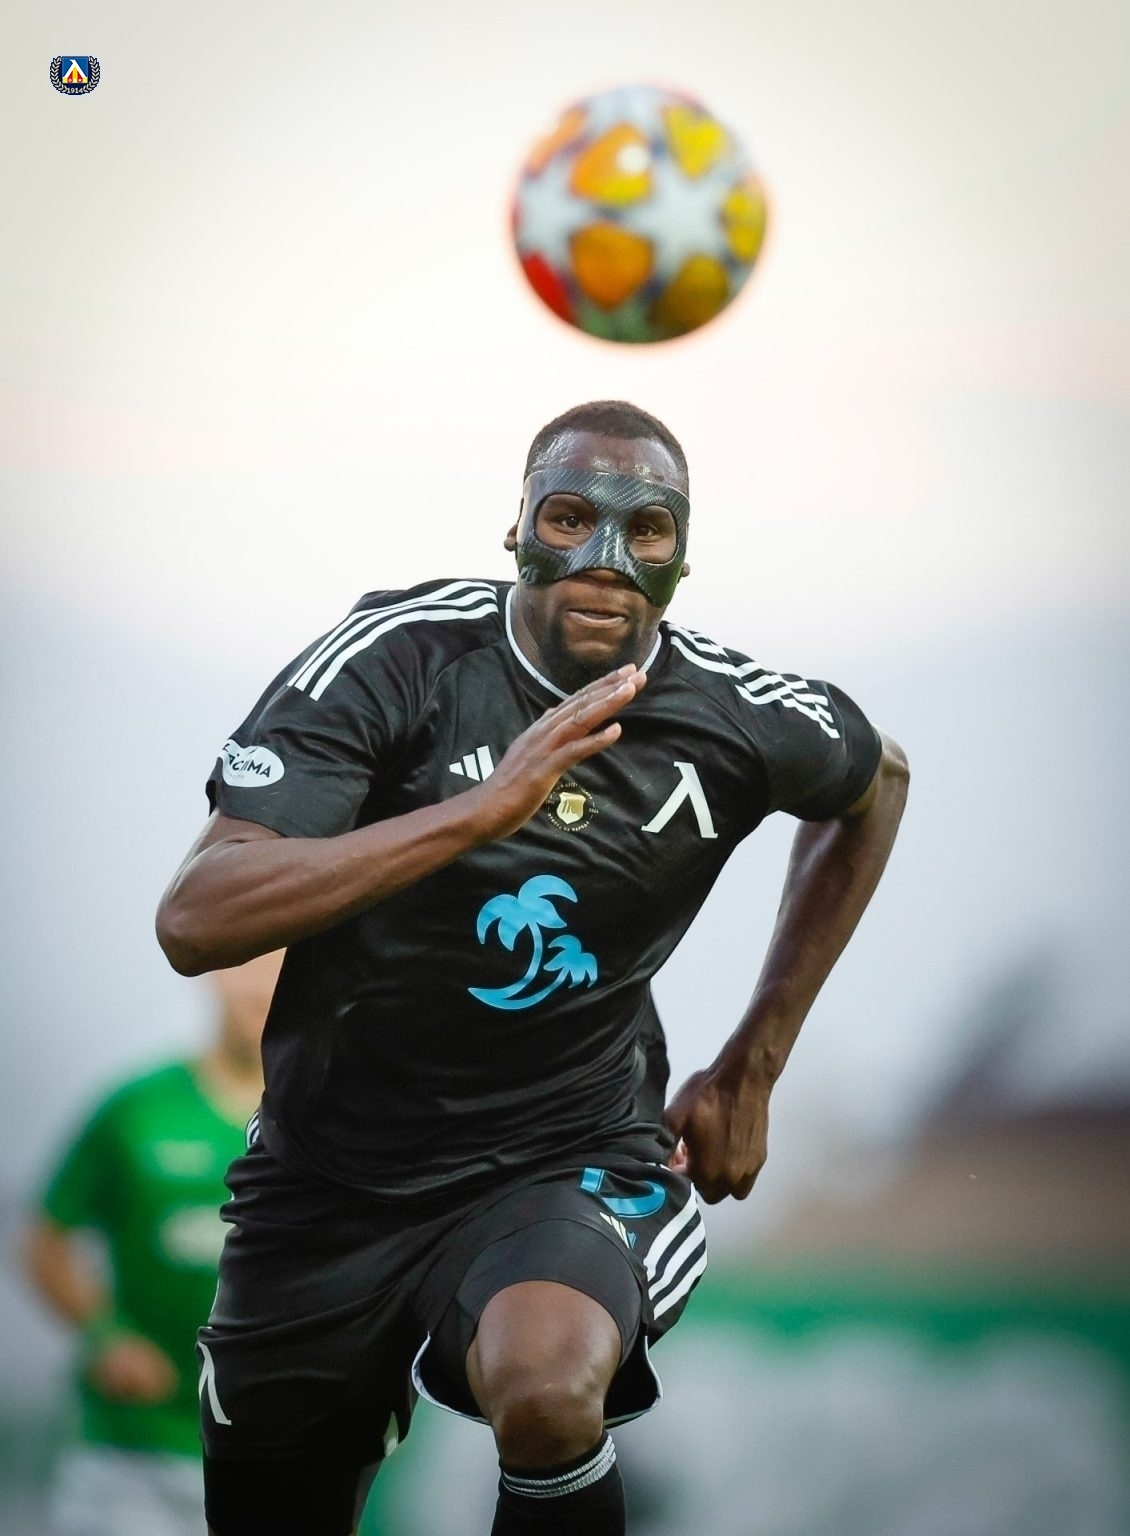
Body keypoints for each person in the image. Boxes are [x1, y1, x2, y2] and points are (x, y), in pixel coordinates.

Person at [155, 399, 909, 1536]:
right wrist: (479, 811)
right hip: (330, 1178)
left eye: (645, 530)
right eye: (570, 518)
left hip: (568, 1155)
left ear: (683, 557)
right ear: (516, 531)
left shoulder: (732, 712)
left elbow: (877, 783)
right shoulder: (398, 660)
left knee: (549, 1387)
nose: (605, 559)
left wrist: (754, 1062)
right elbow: (195, 917)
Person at [24, 952, 283, 1536]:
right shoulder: (138, 1108)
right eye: (249, 962)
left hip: (278, 1457)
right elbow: (45, 1239)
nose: (262, 986)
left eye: (282, 967)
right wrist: (105, 1336)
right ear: (214, 968)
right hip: (136, 1451)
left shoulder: (329, 1123)